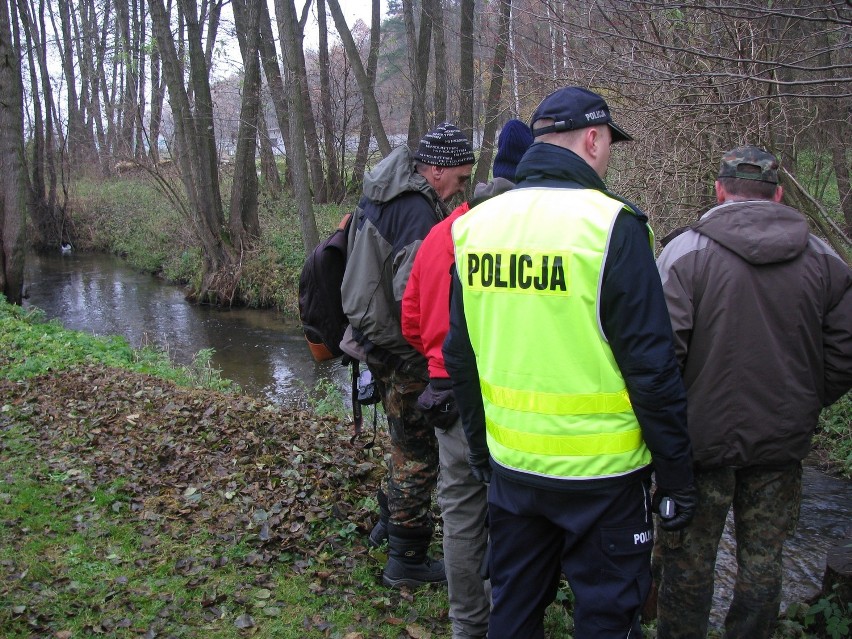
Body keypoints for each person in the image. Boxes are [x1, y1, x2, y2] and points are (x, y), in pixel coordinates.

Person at [442, 86, 697, 639]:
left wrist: (484, 453)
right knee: (605, 621)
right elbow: (651, 370)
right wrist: (677, 478)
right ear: (592, 138)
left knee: (511, 616)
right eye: (608, 143)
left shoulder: (477, 227)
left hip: (515, 471)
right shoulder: (613, 227)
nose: (608, 155)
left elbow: (458, 356)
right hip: (603, 481)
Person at [654, 145, 852, 639]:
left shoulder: (685, 253)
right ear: (779, 194)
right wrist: (809, 398)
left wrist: (678, 415)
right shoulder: (825, 259)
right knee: (764, 564)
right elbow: (846, 350)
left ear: (719, 190)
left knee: (689, 564)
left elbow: (660, 356)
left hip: (700, 445)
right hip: (782, 443)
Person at [401, 119, 534, 638]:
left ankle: (467, 625)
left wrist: (437, 352)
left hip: (444, 392)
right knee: (511, 514)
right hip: (500, 395)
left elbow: (410, 318)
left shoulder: (441, 235)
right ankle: (509, 616)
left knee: (458, 513)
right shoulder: (519, 240)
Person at [340, 122, 475, 589]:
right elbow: (412, 297)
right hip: (402, 348)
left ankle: (386, 525)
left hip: (373, 337)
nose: (462, 193)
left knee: (402, 445)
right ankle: (407, 561)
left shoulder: (383, 192)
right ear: (435, 170)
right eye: (459, 179)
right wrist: (435, 356)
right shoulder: (418, 213)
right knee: (418, 455)